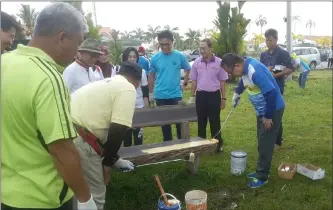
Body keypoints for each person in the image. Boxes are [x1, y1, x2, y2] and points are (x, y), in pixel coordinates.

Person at [1, 2, 98, 210]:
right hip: (44, 197)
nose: (77, 52)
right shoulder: (48, 77)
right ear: (62, 37)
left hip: (8, 193)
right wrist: (85, 199)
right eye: (78, 43)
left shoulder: (5, 62)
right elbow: (62, 150)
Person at [70, 61, 141, 210]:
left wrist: (114, 159)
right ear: (138, 82)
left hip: (66, 135)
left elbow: (100, 125)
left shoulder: (104, 83)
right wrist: (107, 164)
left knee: (76, 191)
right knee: (95, 195)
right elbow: (118, 129)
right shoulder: (128, 88)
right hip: (83, 141)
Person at [221, 53, 285, 188]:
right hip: (262, 111)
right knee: (261, 139)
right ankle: (259, 171)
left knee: (266, 143)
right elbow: (243, 82)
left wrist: (268, 117)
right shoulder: (244, 69)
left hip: (272, 110)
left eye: (230, 72)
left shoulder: (254, 71)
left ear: (237, 65)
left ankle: (263, 176)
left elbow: (271, 93)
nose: (231, 76)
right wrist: (237, 94)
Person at [148, 30, 191, 141]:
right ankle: (168, 147)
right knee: (165, 125)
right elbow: (151, 76)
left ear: (172, 42)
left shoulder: (179, 56)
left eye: (167, 44)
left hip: (176, 94)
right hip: (160, 95)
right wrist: (151, 93)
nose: (164, 47)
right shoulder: (155, 58)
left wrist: (184, 83)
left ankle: (181, 146)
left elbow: (188, 69)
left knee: (179, 123)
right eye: (162, 44)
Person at [188, 38, 228, 152]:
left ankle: (218, 145)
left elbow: (222, 82)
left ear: (211, 48)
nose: (201, 50)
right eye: (200, 48)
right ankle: (202, 145)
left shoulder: (219, 62)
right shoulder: (196, 62)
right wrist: (192, 96)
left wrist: (223, 98)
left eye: (204, 48)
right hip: (201, 95)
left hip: (214, 96)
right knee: (201, 121)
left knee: (215, 121)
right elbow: (194, 81)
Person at [260, 28, 293, 150]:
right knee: (266, 113)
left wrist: (275, 74)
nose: (268, 42)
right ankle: (267, 138)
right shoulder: (264, 54)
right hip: (265, 89)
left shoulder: (282, 53)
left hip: (277, 88)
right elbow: (261, 69)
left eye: (270, 40)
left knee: (276, 114)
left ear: (276, 40)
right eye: (266, 40)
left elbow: (290, 68)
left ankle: (277, 141)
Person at [121, 47, 149, 147]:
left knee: (138, 135)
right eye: (129, 56)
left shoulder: (142, 71)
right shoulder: (119, 70)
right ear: (125, 58)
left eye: (134, 56)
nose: (132, 58)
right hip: (124, 106)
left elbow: (145, 89)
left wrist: (146, 105)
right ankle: (128, 158)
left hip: (139, 105)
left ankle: (139, 157)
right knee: (126, 135)